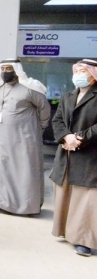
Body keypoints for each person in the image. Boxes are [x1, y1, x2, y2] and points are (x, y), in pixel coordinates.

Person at [0, 58, 50, 216]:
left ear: (17, 69)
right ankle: (3, 203)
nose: (5, 71)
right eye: (3, 69)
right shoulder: (1, 87)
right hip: (5, 136)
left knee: (25, 170)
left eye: (9, 68)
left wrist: (39, 128)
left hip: (26, 137)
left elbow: (44, 109)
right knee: (4, 168)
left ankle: (27, 206)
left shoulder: (30, 88)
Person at [50, 59, 97, 257]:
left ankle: (84, 240)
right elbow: (57, 120)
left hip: (89, 155)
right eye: (76, 70)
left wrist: (80, 138)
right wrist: (66, 136)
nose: (78, 74)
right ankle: (65, 230)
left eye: (83, 70)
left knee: (86, 198)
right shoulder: (69, 96)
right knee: (66, 192)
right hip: (67, 152)